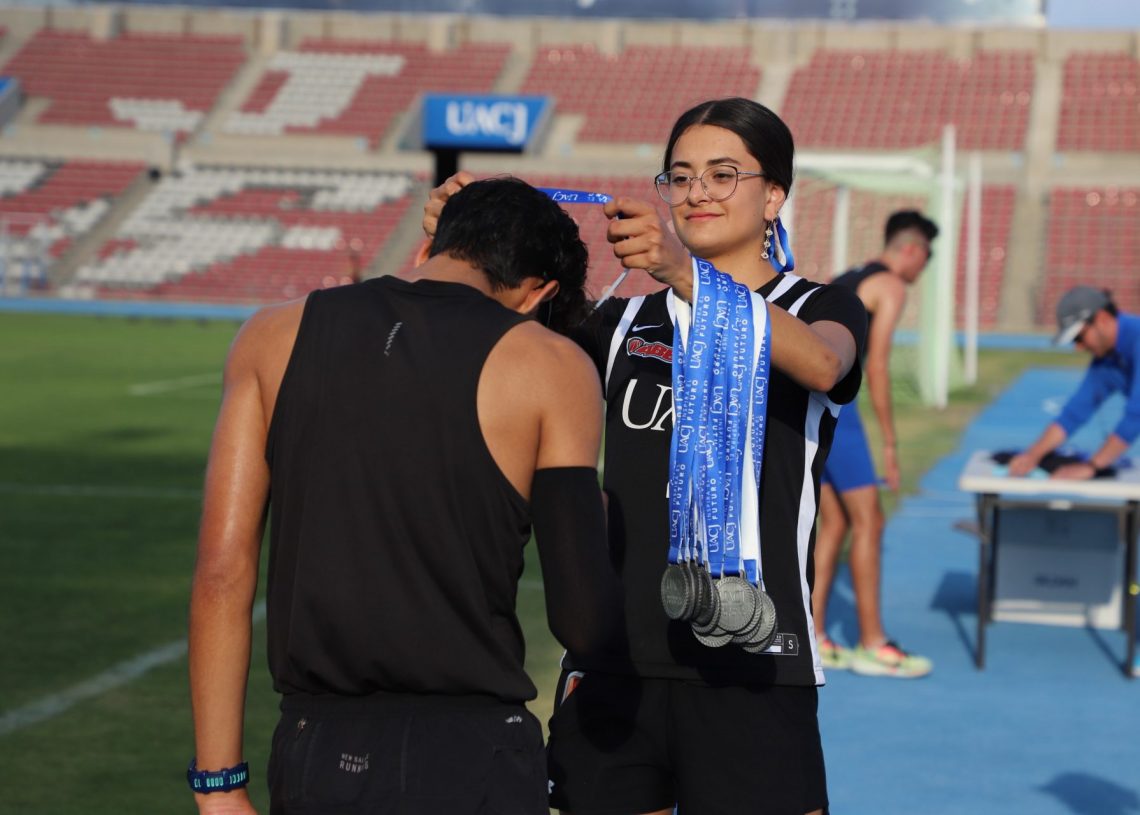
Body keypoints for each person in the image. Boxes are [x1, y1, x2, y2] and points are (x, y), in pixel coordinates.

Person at [424, 97, 867, 815]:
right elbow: (483, 352)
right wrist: (462, 241)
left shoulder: (822, 306)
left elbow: (822, 364)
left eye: (723, 174)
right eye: (680, 176)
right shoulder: (624, 317)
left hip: (754, 662)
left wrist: (685, 273)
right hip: (616, 659)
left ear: (774, 195)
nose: (697, 192)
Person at [188, 177, 624, 815]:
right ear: (540, 293)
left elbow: (221, 572)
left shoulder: (269, 334)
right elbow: (583, 620)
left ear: (427, 248)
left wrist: (218, 786)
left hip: (317, 749)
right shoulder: (552, 364)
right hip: (473, 753)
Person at [812, 210, 938, 678]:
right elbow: (878, 366)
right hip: (839, 410)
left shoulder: (848, 276)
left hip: (809, 405)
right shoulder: (891, 285)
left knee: (834, 524)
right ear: (912, 250)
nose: (923, 268)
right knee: (871, 521)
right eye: (926, 258)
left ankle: (813, 634)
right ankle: (873, 644)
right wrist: (889, 443)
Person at [1008, 286, 1140, 480]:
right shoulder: (1107, 358)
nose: (1078, 347)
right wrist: (1033, 455)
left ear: (1102, 319)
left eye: (1079, 337)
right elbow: (1075, 412)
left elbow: (1136, 415)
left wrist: (1092, 466)